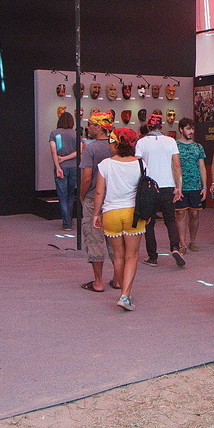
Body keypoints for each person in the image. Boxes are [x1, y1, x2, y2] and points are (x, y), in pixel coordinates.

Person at [92, 127, 145, 311]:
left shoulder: (105, 164)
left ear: (116, 143)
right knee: (132, 256)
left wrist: (96, 214)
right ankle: (125, 295)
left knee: (118, 256)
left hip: (111, 213)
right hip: (133, 213)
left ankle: (124, 292)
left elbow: (99, 192)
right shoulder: (140, 163)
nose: (109, 144)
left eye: (111, 141)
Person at [135, 112, 185, 267]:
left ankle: (153, 257)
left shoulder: (141, 143)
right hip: (167, 185)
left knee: (148, 222)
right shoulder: (170, 141)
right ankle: (175, 247)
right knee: (170, 219)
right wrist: (178, 186)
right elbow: (176, 165)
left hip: (149, 187)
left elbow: (138, 165)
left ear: (148, 126)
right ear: (161, 125)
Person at [79, 111, 117, 292]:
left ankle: (98, 281)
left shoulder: (91, 149)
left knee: (95, 240)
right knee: (115, 241)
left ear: (99, 127)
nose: (88, 127)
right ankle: (118, 279)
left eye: (91, 124)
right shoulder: (115, 147)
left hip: (94, 199)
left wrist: (82, 195)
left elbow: (87, 177)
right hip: (114, 200)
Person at [174, 118, 207, 252]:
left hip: (195, 186)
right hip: (180, 186)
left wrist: (204, 186)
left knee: (194, 214)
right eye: (188, 129)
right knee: (180, 214)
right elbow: (172, 166)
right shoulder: (174, 146)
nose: (191, 131)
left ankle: (192, 240)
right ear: (181, 129)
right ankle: (182, 243)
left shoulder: (198, 147)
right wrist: (175, 185)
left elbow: (202, 167)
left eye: (192, 129)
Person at [49, 111, 79, 230]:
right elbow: (80, 151)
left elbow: (53, 151)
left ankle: (66, 223)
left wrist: (58, 166)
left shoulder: (54, 133)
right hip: (74, 167)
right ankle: (69, 220)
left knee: (62, 196)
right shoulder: (75, 134)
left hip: (61, 167)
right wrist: (67, 158)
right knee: (71, 195)